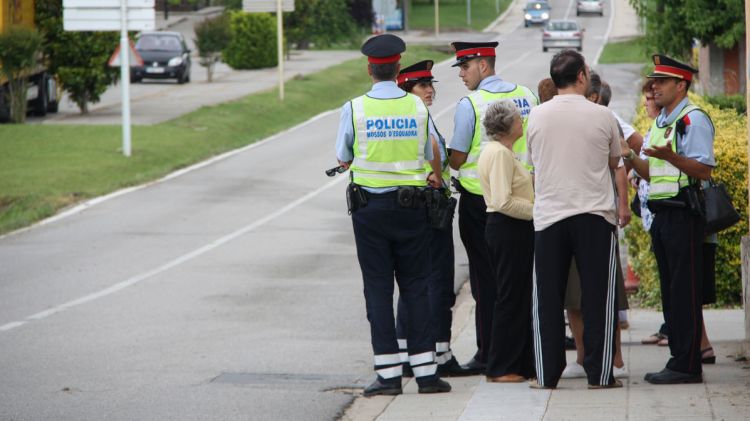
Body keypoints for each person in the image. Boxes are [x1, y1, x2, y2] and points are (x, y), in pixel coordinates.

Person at [334, 33, 451, 396]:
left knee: (378, 290)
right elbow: (437, 151)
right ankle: (426, 372)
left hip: (370, 211)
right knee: (416, 287)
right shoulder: (418, 108)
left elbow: (344, 156)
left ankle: (388, 374)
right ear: (398, 67)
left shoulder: (354, 109)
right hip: (412, 209)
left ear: (370, 69)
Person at [527, 50, 622, 389]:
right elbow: (616, 161)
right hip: (594, 215)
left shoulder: (536, 117)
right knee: (599, 297)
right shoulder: (602, 116)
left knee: (547, 300)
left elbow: (534, 164)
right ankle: (600, 374)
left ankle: (546, 374)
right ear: (582, 75)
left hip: (550, 216)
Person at [619, 54, 714, 385]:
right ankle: (678, 358)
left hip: (684, 214)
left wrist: (670, 156)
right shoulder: (662, 122)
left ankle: (688, 364)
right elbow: (651, 173)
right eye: (653, 81)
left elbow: (703, 169)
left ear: (681, 85)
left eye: (661, 81)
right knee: (672, 292)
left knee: (685, 291)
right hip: (663, 217)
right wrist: (629, 154)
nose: (654, 86)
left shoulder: (692, 120)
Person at [447, 41, 538, 374]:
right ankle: (524, 354)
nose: (461, 74)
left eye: (465, 67)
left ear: (483, 65)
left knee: (487, 284)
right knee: (520, 284)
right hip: (525, 200)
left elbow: (456, 158)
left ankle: (491, 354)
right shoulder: (528, 95)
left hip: (481, 204)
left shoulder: (470, 105)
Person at [394, 60, 471, 377]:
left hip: (422, 210)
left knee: (421, 284)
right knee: (434, 284)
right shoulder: (416, 118)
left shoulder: (417, 116)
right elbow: (432, 161)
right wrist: (437, 177)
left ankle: (416, 354)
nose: (430, 90)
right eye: (422, 85)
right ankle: (434, 355)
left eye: (430, 84)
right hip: (427, 210)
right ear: (406, 90)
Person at [561, 73, 632, 380]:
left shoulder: (606, 121)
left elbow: (620, 166)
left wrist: (623, 204)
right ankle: (582, 353)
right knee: (573, 295)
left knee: (607, 291)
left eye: (596, 101)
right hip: (568, 213)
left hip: (600, 214)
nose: (592, 104)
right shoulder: (564, 120)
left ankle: (614, 354)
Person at [478, 100, 536, 383]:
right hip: (509, 228)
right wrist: (537, 212)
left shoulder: (502, 152)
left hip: (510, 229)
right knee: (511, 297)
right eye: (517, 119)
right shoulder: (499, 153)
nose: (521, 122)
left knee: (516, 296)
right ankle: (501, 366)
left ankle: (517, 362)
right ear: (506, 125)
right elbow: (502, 201)